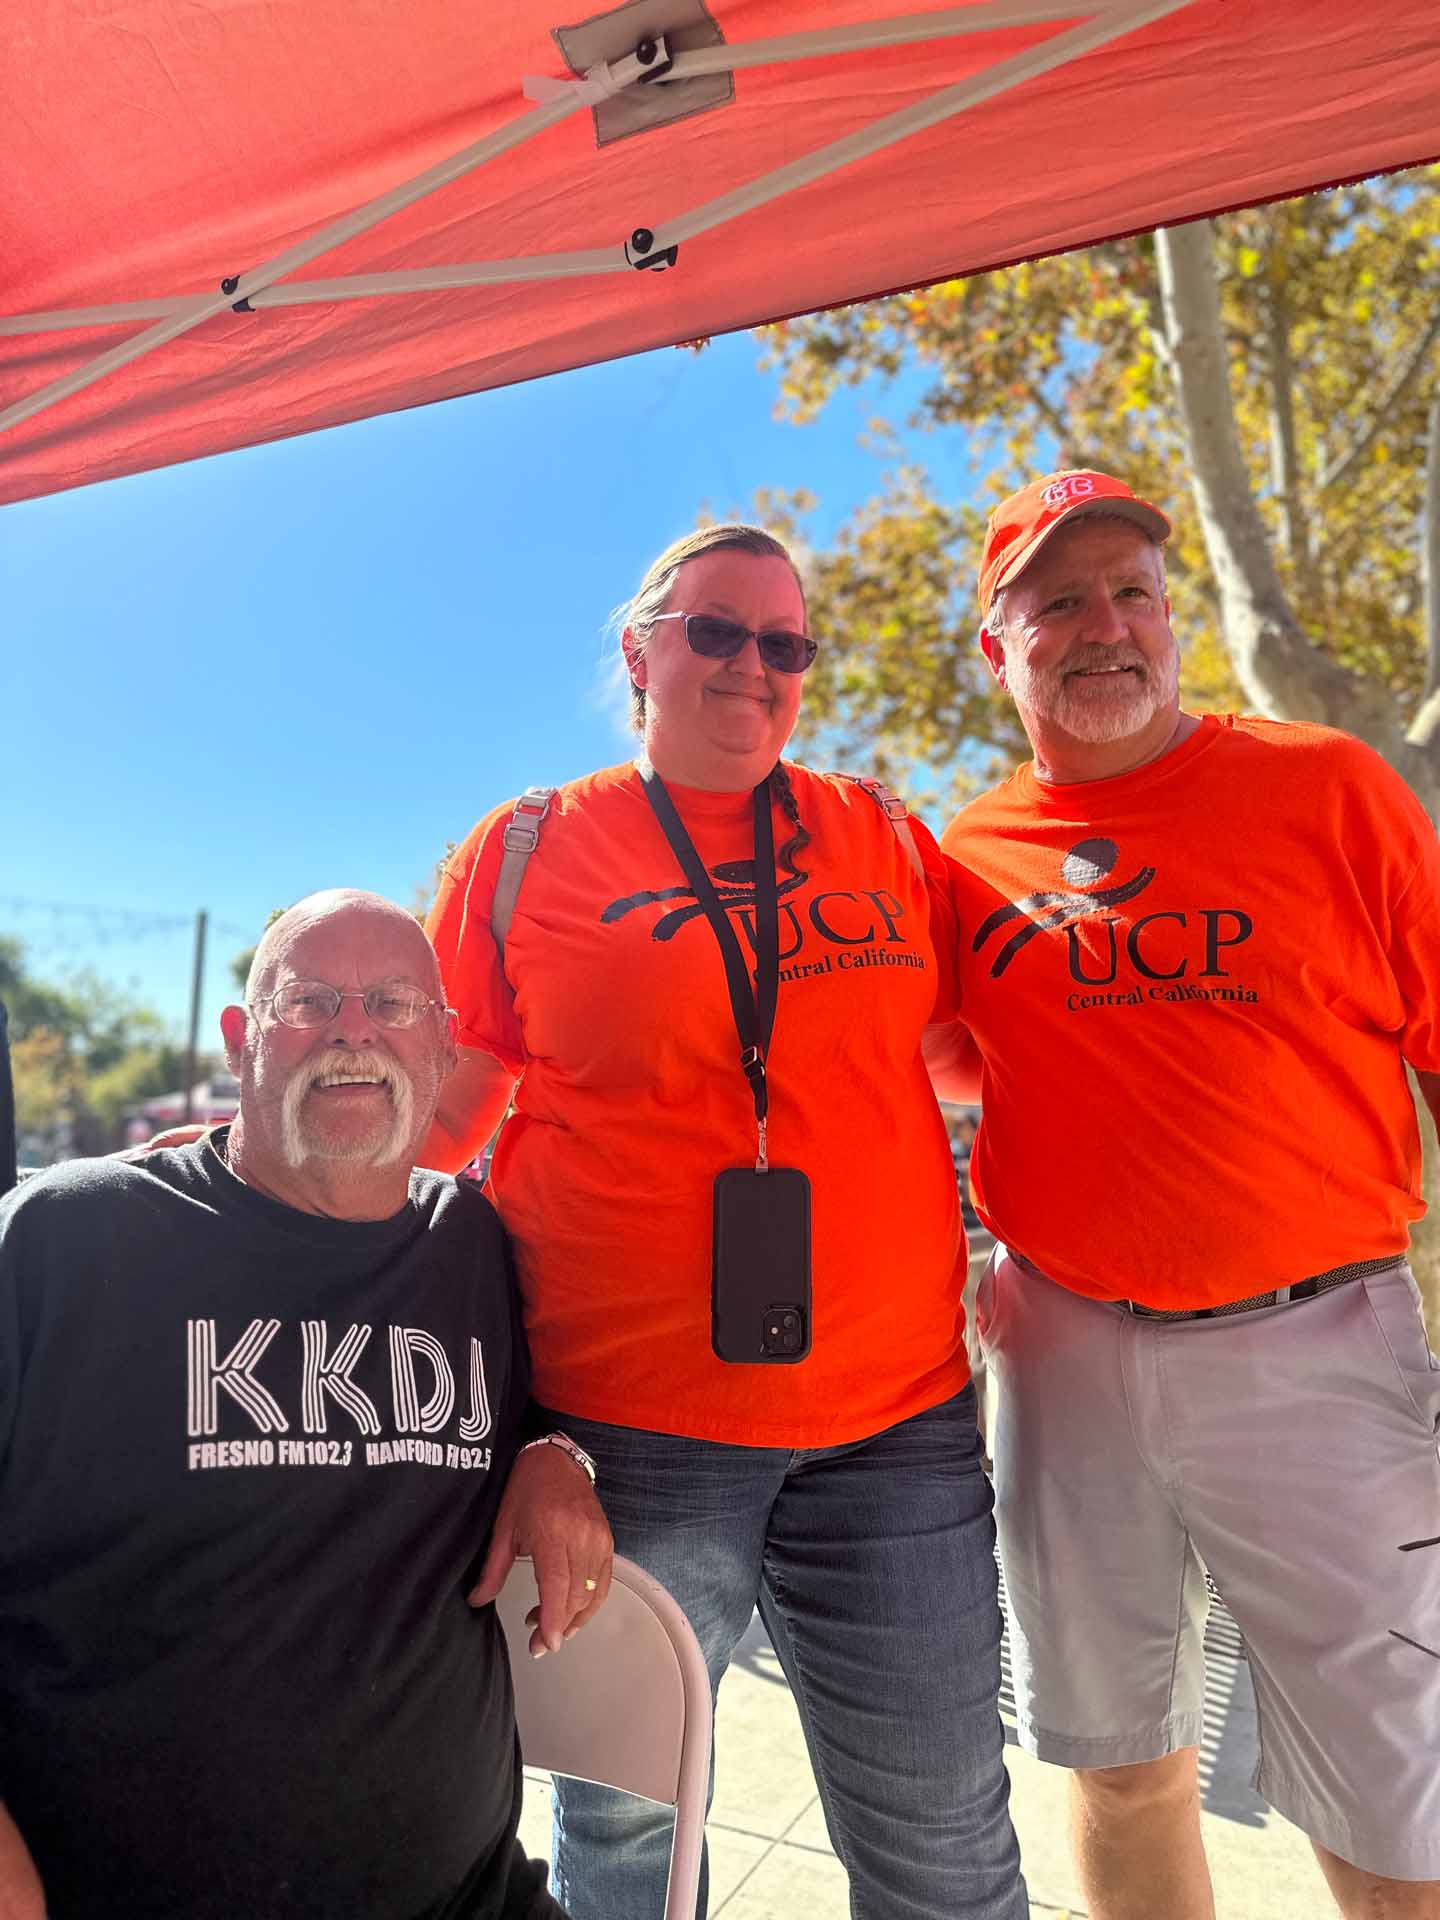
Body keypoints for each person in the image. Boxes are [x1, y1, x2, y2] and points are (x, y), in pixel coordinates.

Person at [422, 525, 1027, 1920]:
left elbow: (988, 1046)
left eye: (785, 643)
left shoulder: (885, 837)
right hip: (624, 1440)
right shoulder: (524, 851)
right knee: (631, 1846)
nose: (754, 665)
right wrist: (254, 1190)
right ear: (640, 653)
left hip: (896, 1436)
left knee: (945, 1843)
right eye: (715, 630)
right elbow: (447, 1109)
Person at [930, 468, 1440, 1920]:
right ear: (999, 646)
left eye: (1134, 592)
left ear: (1173, 618)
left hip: (1319, 1348)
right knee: (1118, 1765)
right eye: (1060, 601)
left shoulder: (1329, 787)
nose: (1107, 625)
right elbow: (935, 1066)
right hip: (1064, 1350)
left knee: (1394, 1792)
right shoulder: (963, 862)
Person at [0, 889, 612, 1920]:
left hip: (472, 1898)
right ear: (241, 1039)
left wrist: (557, 1452)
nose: (353, 1031)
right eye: (311, 1000)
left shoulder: (470, 1247)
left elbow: (534, 1415)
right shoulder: (65, 1238)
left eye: (393, 1004)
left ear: (445, 1045)